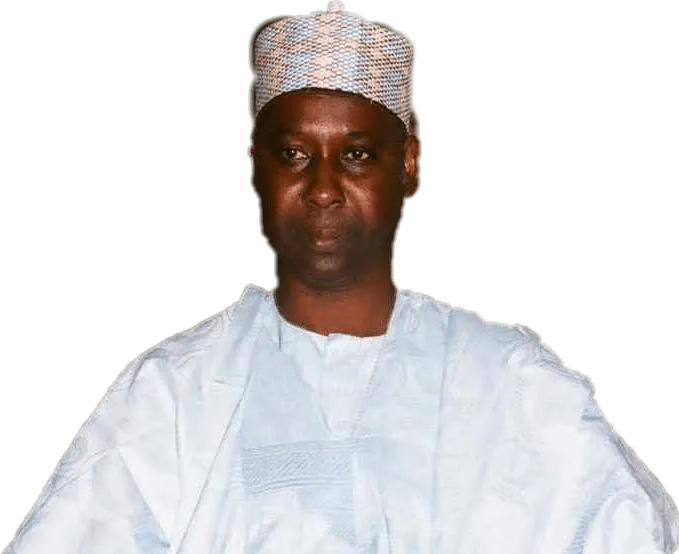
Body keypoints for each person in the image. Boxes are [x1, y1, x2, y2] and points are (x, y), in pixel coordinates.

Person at [3, 1, 677, 552]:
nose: (323, 188)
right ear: (255, 166)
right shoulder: (173, 398)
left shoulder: (509, 385)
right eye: (294, 153)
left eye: (356, 154)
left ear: (407, 165)